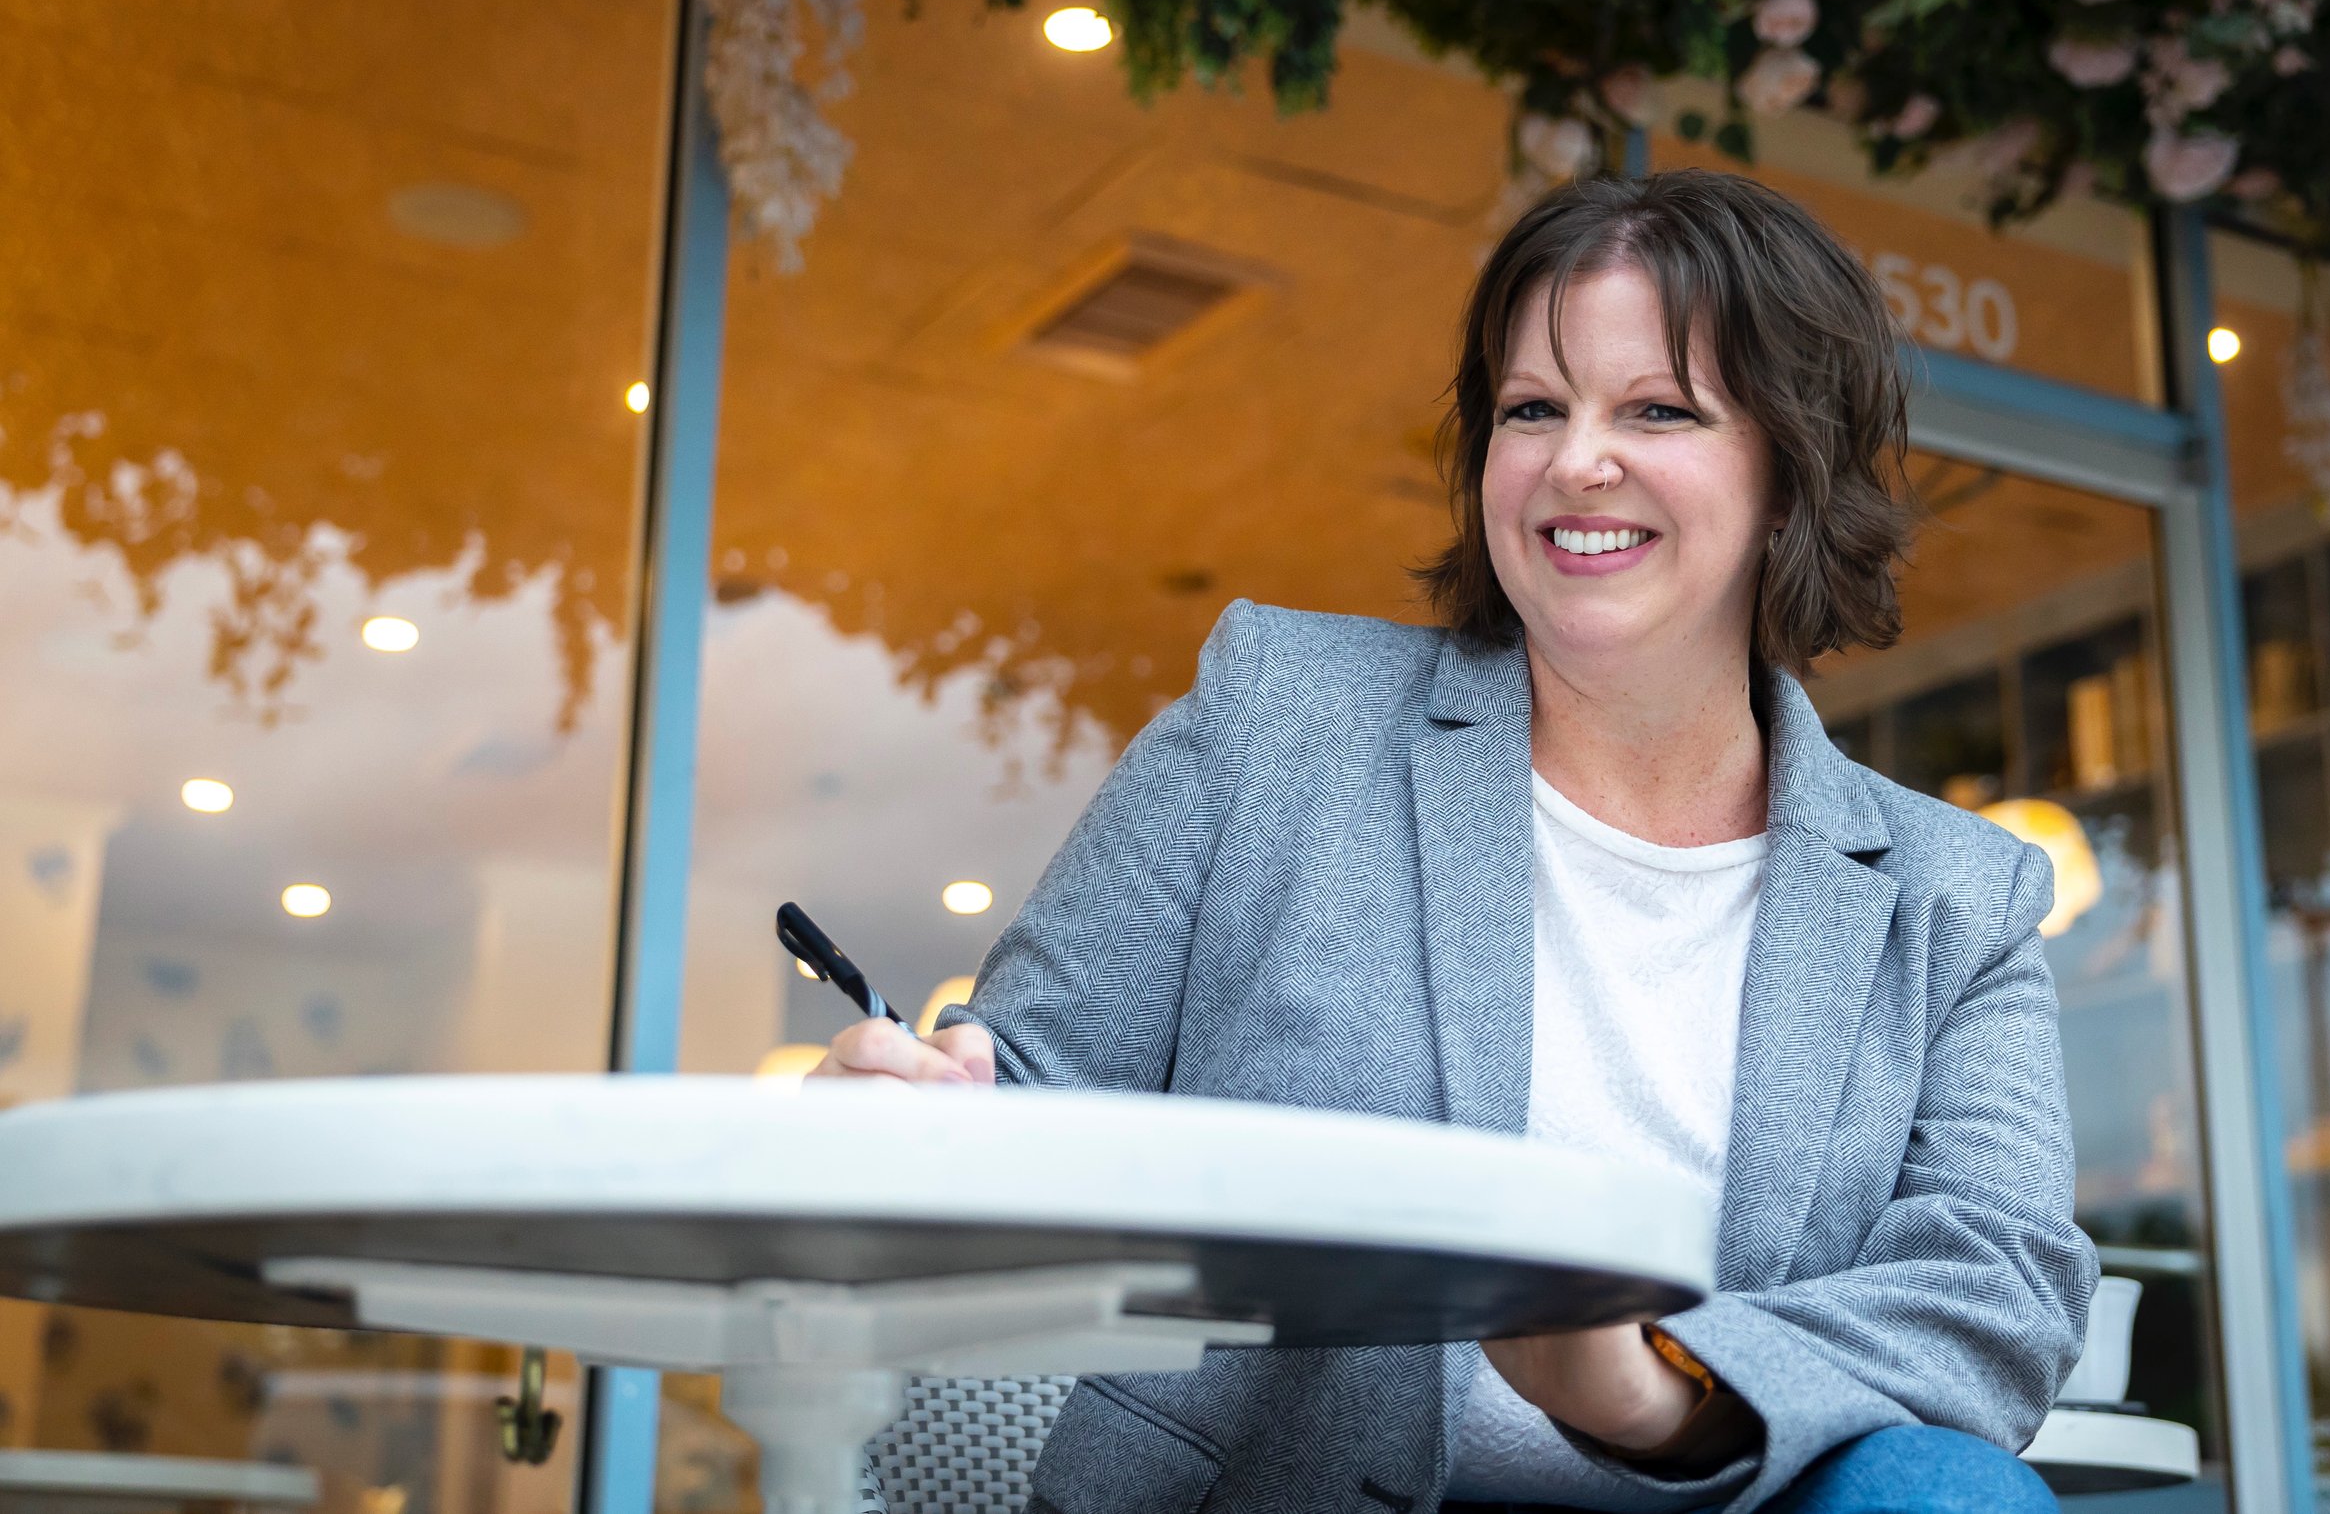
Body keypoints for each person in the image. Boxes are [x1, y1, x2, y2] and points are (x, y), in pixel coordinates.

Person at [815, 170, 2096, 1514]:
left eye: (1656, 409)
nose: (1573, 461)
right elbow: (1032, 1096)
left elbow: (1992, 1296)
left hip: (1721, 1498)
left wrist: (1647, 1383)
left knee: (1948, 1493)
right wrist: (913, 1125)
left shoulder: (1957, 899)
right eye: (1533, 409)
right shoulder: (1278, 714)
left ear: (1792, 474)